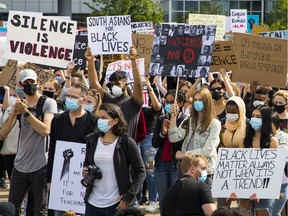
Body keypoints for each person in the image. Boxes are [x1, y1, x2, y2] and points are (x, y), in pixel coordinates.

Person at [1, 69, 58, 216]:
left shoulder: (48, 103)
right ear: (20, 85)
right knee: (11, 208)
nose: (30, 85)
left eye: (32, 82)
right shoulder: (19, 105)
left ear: (38, 83)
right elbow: (2, 134)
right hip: (20, 164)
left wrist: (26, 113)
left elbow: (46, 130)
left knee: (40, 210)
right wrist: (14, 112)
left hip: (41, 165)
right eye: (26, 83)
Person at [82, 103, 146, 216]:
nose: (100, 121)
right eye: (99, 117)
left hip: (116, 204)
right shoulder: (92, 140)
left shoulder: (126, 142)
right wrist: (86, 171)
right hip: (93, 202)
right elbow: (87, 162)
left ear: (115, 121)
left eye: (104, 118)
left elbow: (141, 172)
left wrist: (129, 195)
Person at [47, 82, 98, 216]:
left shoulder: (93, 121)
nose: (69, 99)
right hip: (61, 181)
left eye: (74, 97)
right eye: (68, 95)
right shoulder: (58, 120)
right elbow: (52, 149)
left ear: (84, 100)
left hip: (82, 179)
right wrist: (49, 179)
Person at [86, 46, 143, 140]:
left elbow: (138, 84)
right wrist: (91, 62)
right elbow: (94, 83)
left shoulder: (134, 102)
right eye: (111, 85)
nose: (114, 87)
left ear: (126, 85)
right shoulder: (108, 99)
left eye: (117, 84)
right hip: (107, 143)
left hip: (124, 148)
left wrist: (133, 60)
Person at [168, 87, 221, 187]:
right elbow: (174, 137)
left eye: (200, 100)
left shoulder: (215, 124)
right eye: (195, 100)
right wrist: (174, 116)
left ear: (207, 102)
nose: (197, 102)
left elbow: (207, 151)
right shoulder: (189, 120)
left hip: (204, 170)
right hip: (186, 169)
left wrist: (185, 154)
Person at [238, 105, 279, 213]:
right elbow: (239, 166)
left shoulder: (272, 141)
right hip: (245, 188)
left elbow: (273, 169)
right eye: (252, 116)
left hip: (265, 190)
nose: (254, 119)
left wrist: (260, 191)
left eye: (258, 116)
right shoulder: (244, 140)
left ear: (265, 120)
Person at [152, 90, 186, 215]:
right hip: (161, 164)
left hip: (175, 164)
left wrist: (173, 123)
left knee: (175, 198)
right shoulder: (161, 119)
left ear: (180, 104)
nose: (169, 105)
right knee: (163, 199)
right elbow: (155, 143)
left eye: (173, 102)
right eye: (167, 102)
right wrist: (162, 133)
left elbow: (179, 144)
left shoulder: (184, 120)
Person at [140, 77, 162, 213]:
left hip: (148, 138)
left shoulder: (150, 105)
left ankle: (153, 199)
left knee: (150, 170)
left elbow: (157, 106)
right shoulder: (133, 100)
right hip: (135, 138)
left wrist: (149, 87)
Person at [269, 113, 288, 216]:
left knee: (274, 213)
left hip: (282, 181)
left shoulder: (284, 137)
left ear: (275, 123)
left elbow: (282, 155)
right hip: (269, 181)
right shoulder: (263, 137)